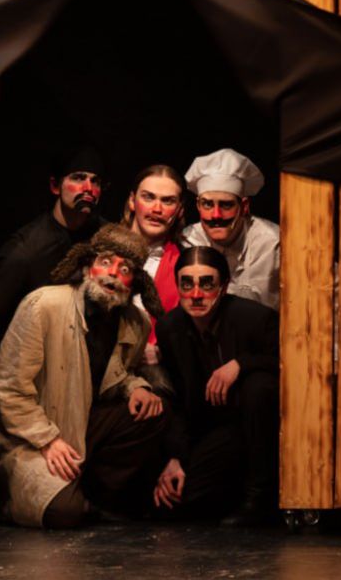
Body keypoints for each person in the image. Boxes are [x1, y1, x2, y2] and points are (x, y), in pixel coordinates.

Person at [0, 224, 168, 528]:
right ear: (87, 267)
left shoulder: (136, 323)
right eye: (105, 262)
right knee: (63, 512)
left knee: (153, 411)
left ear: (134, 282)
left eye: (124, 269)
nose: (112, 273)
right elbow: (9, 389)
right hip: (28, 434)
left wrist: (135, 387)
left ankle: (94, 496)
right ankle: (3, 498)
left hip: (80, 423)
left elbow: (120, 373)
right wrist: (47, 439)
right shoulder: (44, 305)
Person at [152, 246, 280, 526]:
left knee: (259, 386)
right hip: (215, 429)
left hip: (258, 425)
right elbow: (176, 398)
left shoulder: (255, 319)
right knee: (179, 501)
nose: (196, 294)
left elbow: (289, 363)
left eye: (207, 284)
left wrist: (241, 364)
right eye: (187, 284)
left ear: (223, 287)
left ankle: (260, 497)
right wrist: (175, 457)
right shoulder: (170, 328)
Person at [0, 147, 108, 376]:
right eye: (78, 178)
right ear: (55, 186)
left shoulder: (106, 239)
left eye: (95, 181)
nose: (89, 188)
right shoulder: (26, 251)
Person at [181, 149, 280, 310]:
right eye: (207, 204)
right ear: (198, 205)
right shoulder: (187, 241)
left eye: (226, 205)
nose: (216, 215)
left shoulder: (272, 243)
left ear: (244, 206)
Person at [120, 164, 186, 354]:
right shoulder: (102, 251)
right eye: (148, 197)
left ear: (180, 210)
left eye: (168, 201)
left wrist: (161, 353)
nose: (157, 209)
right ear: (132, 201)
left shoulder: (184, 265)